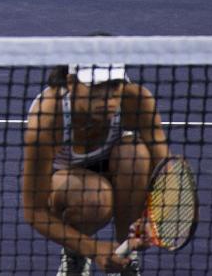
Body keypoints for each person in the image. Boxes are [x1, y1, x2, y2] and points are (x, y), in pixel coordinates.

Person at [22, 62, 170, 275]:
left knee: (135, 154)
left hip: (116, 168)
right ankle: (76, 254)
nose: (108, 98)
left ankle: (125, 256)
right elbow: (34, 211)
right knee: (94, 198)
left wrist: (154, 217)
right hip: (66, 185)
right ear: (72, 83)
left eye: (114, 85)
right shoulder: (48, 116)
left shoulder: (136, 100)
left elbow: (165, 173)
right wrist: (93, 250)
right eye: (97, 87)